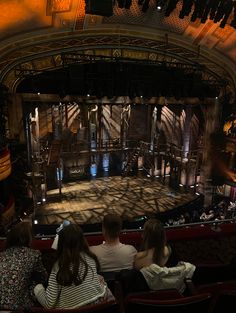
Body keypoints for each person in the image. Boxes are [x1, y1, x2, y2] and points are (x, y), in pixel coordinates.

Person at [34, 224, 114, 309]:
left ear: (61, 243)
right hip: (97, 307)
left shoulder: (58, 266)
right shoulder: (90, 257)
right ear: (82, 239)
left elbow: (49, 304)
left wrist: (38, 288)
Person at [0, 221, 48, 310]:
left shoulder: (2, 255)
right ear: (29, 238)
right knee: (34, 283)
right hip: (18, 307)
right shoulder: (33, 255)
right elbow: (44, 278)